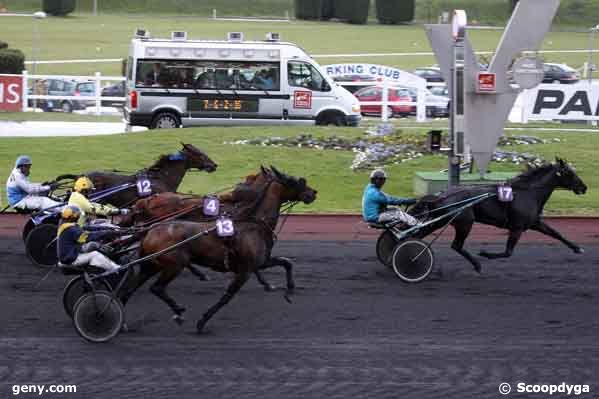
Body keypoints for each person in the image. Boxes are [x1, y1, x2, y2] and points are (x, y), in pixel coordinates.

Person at [57, 205, 121, 272]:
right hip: (70, 259)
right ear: (74, 216)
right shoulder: (70, 229)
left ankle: (107, 264)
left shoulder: (65, 225)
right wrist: (107, 233)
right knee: (95, 254)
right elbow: (88, 236)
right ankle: (117, 269)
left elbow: (87, 228)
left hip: (70, 254)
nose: (78, 217)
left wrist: (108, 228)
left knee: (92, 245)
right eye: (78, 215)